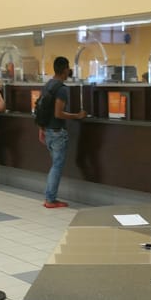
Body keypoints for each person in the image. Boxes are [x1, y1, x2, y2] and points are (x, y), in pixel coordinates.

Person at [39, 56, 86, 208]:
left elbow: (42, 108)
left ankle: (50, 197)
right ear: (66, 69)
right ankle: (50, 199)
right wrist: (77, 116)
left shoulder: (47, 85)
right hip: (57, 132)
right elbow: (58, 113)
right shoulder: (62, 89)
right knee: (57, 166)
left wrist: (41, 128)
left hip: (48, 130)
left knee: (55, 165)